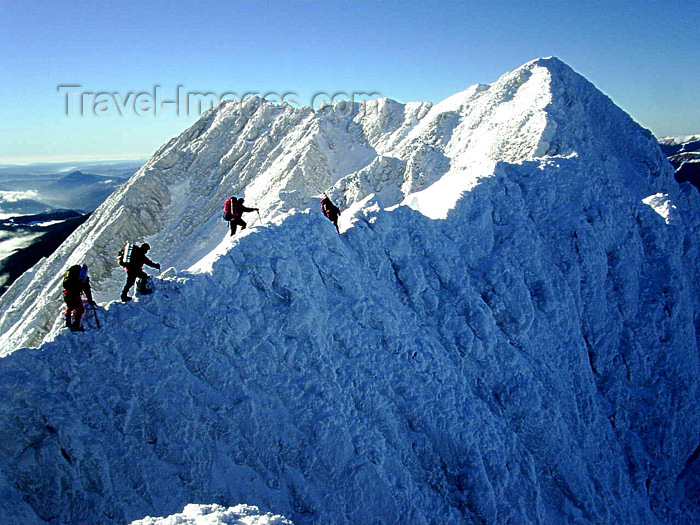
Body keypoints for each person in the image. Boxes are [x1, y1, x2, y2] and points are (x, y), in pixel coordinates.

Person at [62, 264, 95, 332]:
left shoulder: (71, 275)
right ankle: (76, 326)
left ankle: (68, 323)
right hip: (75, 295)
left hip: (66, 293)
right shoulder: (83, 278)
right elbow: (87, 290)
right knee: (80, 310)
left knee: (69, 307)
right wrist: (90, 300)